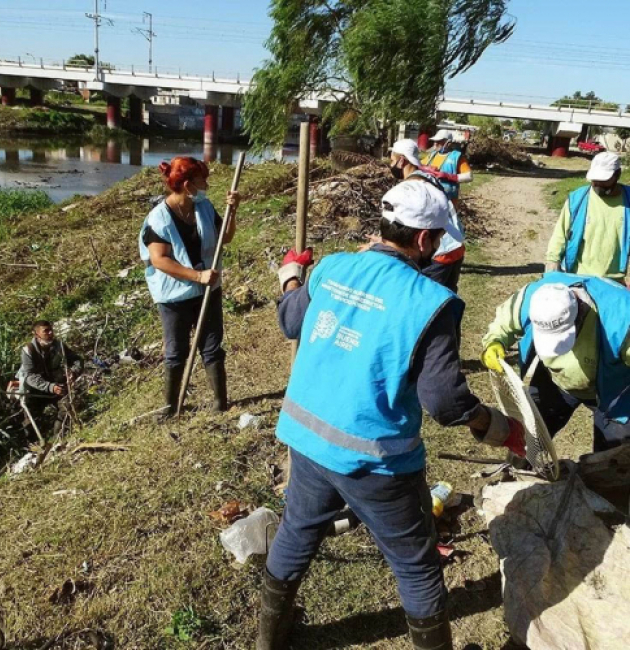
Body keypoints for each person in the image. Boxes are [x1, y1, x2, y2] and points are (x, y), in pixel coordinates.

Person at [257, 181, 524, 650]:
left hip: (307, 437)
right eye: (439, 238)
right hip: (374, 460)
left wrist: (291, 276)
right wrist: (494, 427)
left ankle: (268, 640)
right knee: (416, 565)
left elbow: (290, 320)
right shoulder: (431, 303)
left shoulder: (334, 267)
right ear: (424, 240)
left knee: (297, 530)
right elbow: (443, 401)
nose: (441, 246)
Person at [482, 272, 630, 453]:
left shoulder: (621, 318)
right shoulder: (537, 297)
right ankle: (521, 473)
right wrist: (494, 342)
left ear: (580, 313)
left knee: (614, 458)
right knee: (528, 440)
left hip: (615, 390)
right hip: (555, 379)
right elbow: (505, 321)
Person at [139, 157, 240, 415]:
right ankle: (170, 407)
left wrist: (233, 211)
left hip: (208, 290)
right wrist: (197, 277)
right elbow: (159, 259)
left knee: (212, 347)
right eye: (201, 180)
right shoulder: (158, 219)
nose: (206, 184)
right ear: (186, 185)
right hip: (174, 296)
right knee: (176, 352)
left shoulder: (203, 206)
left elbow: (224, 238)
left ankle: (220, 404)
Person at [389, 138, 466, 292]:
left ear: (401, 161)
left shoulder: (412, 188)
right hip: (455, 244)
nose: (390, 165)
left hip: (440, 251)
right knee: (446, 298)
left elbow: (414, 229)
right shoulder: (427, 177)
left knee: (427, 299)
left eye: (392, 160)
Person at [545, 152, 630, 287]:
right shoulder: (577, 200)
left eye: (603, 180)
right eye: (594, 180)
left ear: (617, 175)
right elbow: (560, 235)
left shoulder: (628, 201)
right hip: (579, 278)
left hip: (615, 282)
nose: (597, 184)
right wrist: (552, 264)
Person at [18, 320, 83, 438]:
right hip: (36, 392)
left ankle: (59, 439)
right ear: (36, 334)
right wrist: (49, 387)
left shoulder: (59, 346)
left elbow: (77, 360)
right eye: (46, 331)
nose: (50, 333)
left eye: (51, 330)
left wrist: (74, 371)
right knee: (30, 420)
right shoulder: (28, 351)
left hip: (57, 387)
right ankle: (33, 446)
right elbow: (29, 376)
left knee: (67, 408)